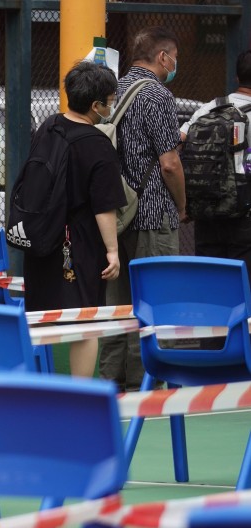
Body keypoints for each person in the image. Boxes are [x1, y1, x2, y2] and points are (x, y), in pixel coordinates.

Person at [24, 61, 124, 378]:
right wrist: (112, 251)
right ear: (96, 105)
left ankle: (40, 388)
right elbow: (104, 207)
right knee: (86, 320)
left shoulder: (48, 127)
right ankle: (79, 394)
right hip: (78, 243)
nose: (112, 104)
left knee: (41, 316)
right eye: (110, 100)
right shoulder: (97, 144)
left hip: (40, 236)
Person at [99, 26, 185, 392]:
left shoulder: (110, 90)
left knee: (117, 303)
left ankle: (110, 378)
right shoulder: (158, 95)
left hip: (115, 214)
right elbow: (169, 164)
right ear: (163, 57)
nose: (175, 64)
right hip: (152, 213)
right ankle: (143, 382)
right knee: (152, 300)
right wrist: (182, 205)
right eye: (175, 58)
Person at [180, 49, 251, 273]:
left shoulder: (209, 107)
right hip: (245, 216)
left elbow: (178, 142)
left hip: (207, 212)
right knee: (243, 288)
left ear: (237, 77)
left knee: (210, 280)